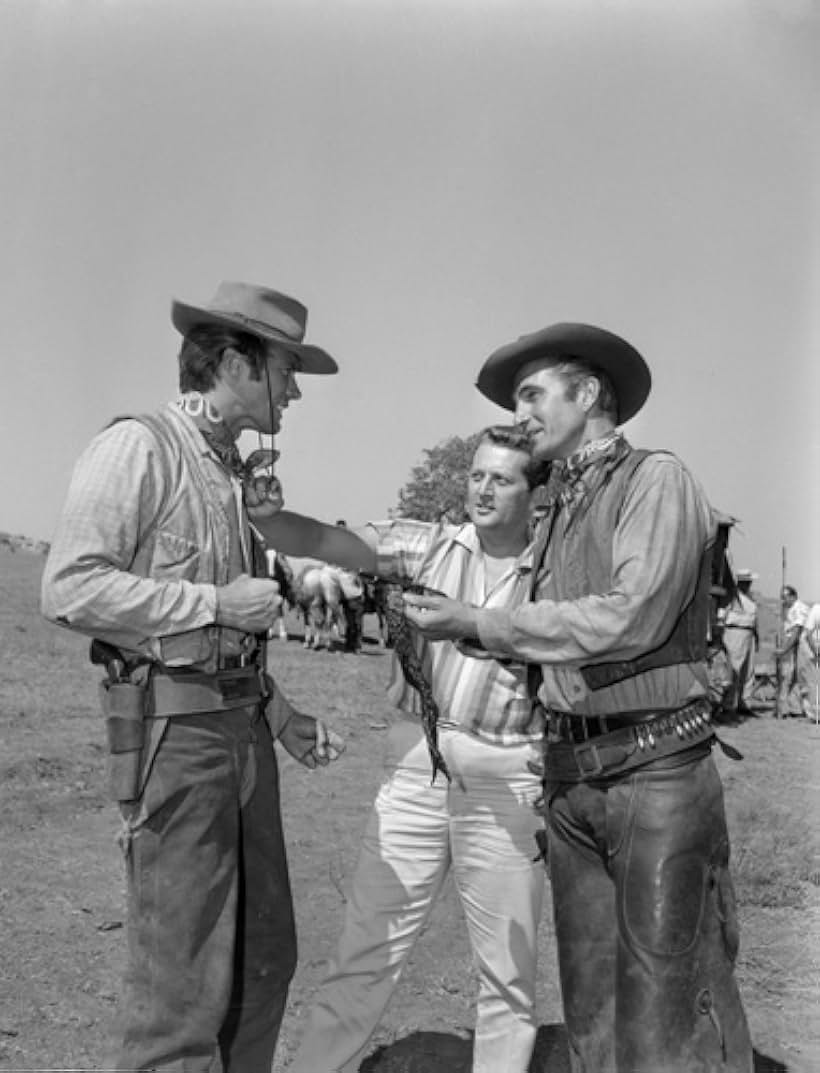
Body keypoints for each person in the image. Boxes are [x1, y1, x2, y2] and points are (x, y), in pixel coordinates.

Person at [401, 323, 753, 1073]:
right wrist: (469, 629)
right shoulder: (559, 503)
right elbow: (545, 637)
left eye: (533, 393)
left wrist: (485, 622)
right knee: (592, 1017)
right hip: (574, 784)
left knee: (665, 1019)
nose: (520, 413)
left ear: (588, 393)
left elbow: (631, 616)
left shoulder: (656, 479)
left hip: (655, 778)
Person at [41, 281, 345, 1073]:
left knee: (266, 959)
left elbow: (237, 637)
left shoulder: (232, 474)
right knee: (181, 994)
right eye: (287, 368)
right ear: (237, 362)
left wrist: (279, 714)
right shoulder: (137, 447)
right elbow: (69, 588)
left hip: (242, 736)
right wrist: (211, 598)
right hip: (175, 741)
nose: (296, 389)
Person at [262, 426, 552, 1073]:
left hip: (509, 773)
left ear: (536, 492)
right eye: (476, 474)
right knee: (365, 951)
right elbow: (322, 542)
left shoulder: (555, 572)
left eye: (500, 478)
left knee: (508, 975)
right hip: (418, 761)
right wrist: (270, 517)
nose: (481, 487)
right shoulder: (427, 544)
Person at [719, 568, 759, 714]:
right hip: (734, 631)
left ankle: (745, 704)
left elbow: (755, 619)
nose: (747, 585)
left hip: (749, 634)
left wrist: (757, 637)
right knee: (734, 668)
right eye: (745, 582)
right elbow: (722, 615)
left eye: (749, 582)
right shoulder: (731, 597)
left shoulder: (751, 598)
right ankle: (728, 705)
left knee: (748, 671)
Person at [777, 585, 810, 717]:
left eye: (785, 598)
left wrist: (784, 649)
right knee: (791, 676)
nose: (784, 601)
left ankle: (785, 708)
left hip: (798, 646)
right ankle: (793, 707)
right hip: (792, 645)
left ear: (792, 596)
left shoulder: (799, 609)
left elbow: (796, 632)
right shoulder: (791, 609)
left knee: (789, 676)